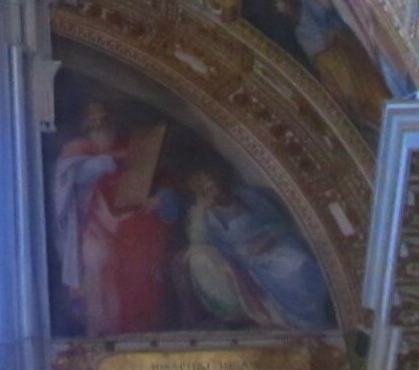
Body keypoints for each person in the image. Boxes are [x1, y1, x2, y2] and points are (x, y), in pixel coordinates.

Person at [50, 101, 176, 335]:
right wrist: (115, 159)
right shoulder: (77, 151)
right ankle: (101, 329)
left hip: (133, 222)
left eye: (104, 117)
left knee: (141, 262)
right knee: (97, 259)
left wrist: (159, 199)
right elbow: (75, 177)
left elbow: (163, 184)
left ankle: (142, 328)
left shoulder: (134, 147)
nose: (100, 122)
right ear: (86, 124)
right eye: (94, 118)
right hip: (92, 225)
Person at [176, 168, 334, 330]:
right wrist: (202, 210)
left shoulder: (248, 197)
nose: (214, 190)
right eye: (207, 189)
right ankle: (290, 320)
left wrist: (266, 240)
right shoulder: (207, 217)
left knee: (297, 265)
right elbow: (201, 242)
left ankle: (314, 318)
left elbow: (279, 223)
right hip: (244, 261)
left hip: (273, 246)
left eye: (214, 184)